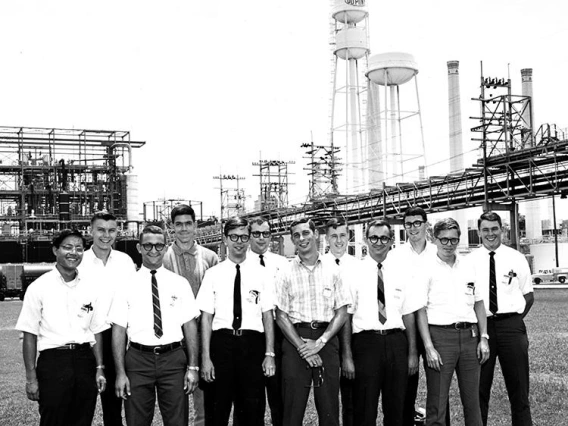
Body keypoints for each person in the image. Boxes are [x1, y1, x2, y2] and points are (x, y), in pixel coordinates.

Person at [110, 224, 200, 426]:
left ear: (166, 247)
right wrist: (121, 373)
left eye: (159, 246)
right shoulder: (125, 284)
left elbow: (190, 327)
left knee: (177, 421)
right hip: (138, 360)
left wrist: (192, 366)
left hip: (174, 359)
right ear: (139, 248)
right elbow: (119, 331)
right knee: (137, 421)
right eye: (148, 245)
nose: (153, 250)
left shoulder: (180, 283)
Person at [16, 229, 107, 426]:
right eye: (67, 247)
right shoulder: (39, 287)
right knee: (53, 420)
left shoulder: (91, 287)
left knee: (83, 419)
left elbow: (97, 330)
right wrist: (31, 378)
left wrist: (99, 367)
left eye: (79, 248)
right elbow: (29, 334)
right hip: (53, 361)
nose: (73, 252)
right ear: (55, 250)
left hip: (85, 361)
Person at [197, 216, 275, 426]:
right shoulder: (213, 274)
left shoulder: (263, 274)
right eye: (234, 237)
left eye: (243, 237)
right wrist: (206, 358)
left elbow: (267, 315)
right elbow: (206, 317)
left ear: (248, 239)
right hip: (221, 345)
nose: (239, 242)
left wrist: (269, 354)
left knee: (252, 412)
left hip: (252, 346)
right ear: (225, 239)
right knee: (217, 411)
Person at [275, 218, 352, 426]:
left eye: (306, 233)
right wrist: (303, 348)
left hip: (327, 340)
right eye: (297, 235)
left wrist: (321, 342)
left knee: (329, 410)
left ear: (315, 234)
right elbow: (281, 316)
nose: (302, 238)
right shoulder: (284, 272)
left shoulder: (334, 270)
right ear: (292, 239)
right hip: (295, 342)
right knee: (292, 410)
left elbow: (342, 311)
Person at [416, 218, 490, 426]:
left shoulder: (468, 266)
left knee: (472, 401)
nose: (449, 245)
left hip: (469, 338)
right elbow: (420, 310)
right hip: (440, 338)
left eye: (453, 240)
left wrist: (483, 338)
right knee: (437, 402)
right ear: (434, 239)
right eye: (444, 240)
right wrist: (429, 347)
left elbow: (479, 303)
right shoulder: (425, 268)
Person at [350, 219, 420, 426]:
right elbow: (347, 314)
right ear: (365, 240)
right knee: (364, 406)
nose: (378, 242)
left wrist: (413, 352)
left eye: (384, 238)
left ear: (391, 241)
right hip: (365, 343)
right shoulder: (354, 271)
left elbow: (408, 314)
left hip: (397, 342)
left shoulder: (403, 271)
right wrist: (347, 354)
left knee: (396, 406)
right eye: (374, 237)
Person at [469, 211, 534, 426]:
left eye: (494, 229)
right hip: (481, 330)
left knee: (519, 388)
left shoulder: (516, 257)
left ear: (502, 229)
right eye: (485, 230)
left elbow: (528, 295)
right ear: (479, 232)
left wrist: (513, 321)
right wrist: (482, 329)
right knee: (479, 389)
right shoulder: (468, 261)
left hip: (511, 327)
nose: (490, 233)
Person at [389, 206, 449, 426]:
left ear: (426, 224)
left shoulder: (438, 252)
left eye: (417, 223)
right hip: (406, 328)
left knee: (439, 387)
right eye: (408, 224)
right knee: (406, 384)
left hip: (436, 326)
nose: (413, 228)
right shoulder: (394, 256)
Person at [162, 204, 219, 426]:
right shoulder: (163, 258)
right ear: (171, 228)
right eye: (178, 224)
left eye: (188, 223)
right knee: (176, 396)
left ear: (195, 226)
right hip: (174, 337)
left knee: (204, 393)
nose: (184, 229)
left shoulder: (210, 257)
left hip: (204, 333)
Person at [80, 212, 136, 426]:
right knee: (83, 404)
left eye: (111, 230)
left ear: (117, 232)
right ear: (91, 230)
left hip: (116, 337)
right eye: (101, 230)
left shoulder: (125, 261)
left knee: (113, 407)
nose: (106, 235)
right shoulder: (80, 261)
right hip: (85, 339)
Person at [248, 216, 289, 426]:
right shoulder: (241, 263)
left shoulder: (282, 263)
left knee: (279, 396)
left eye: (265, 233)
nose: (261, 238)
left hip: (279, 331)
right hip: (253, 334)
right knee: (251, 400)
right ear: (249, 236)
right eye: (256, 233)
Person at [322, 217, 359, 426]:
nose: (338, 241)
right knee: (327, 395)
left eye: (343, 235)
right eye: (334, 236)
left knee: (352, 392)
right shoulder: (318, 265)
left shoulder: (358, 266)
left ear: (349, 236)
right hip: (328, 334)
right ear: (326, 238)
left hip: (354, 333)